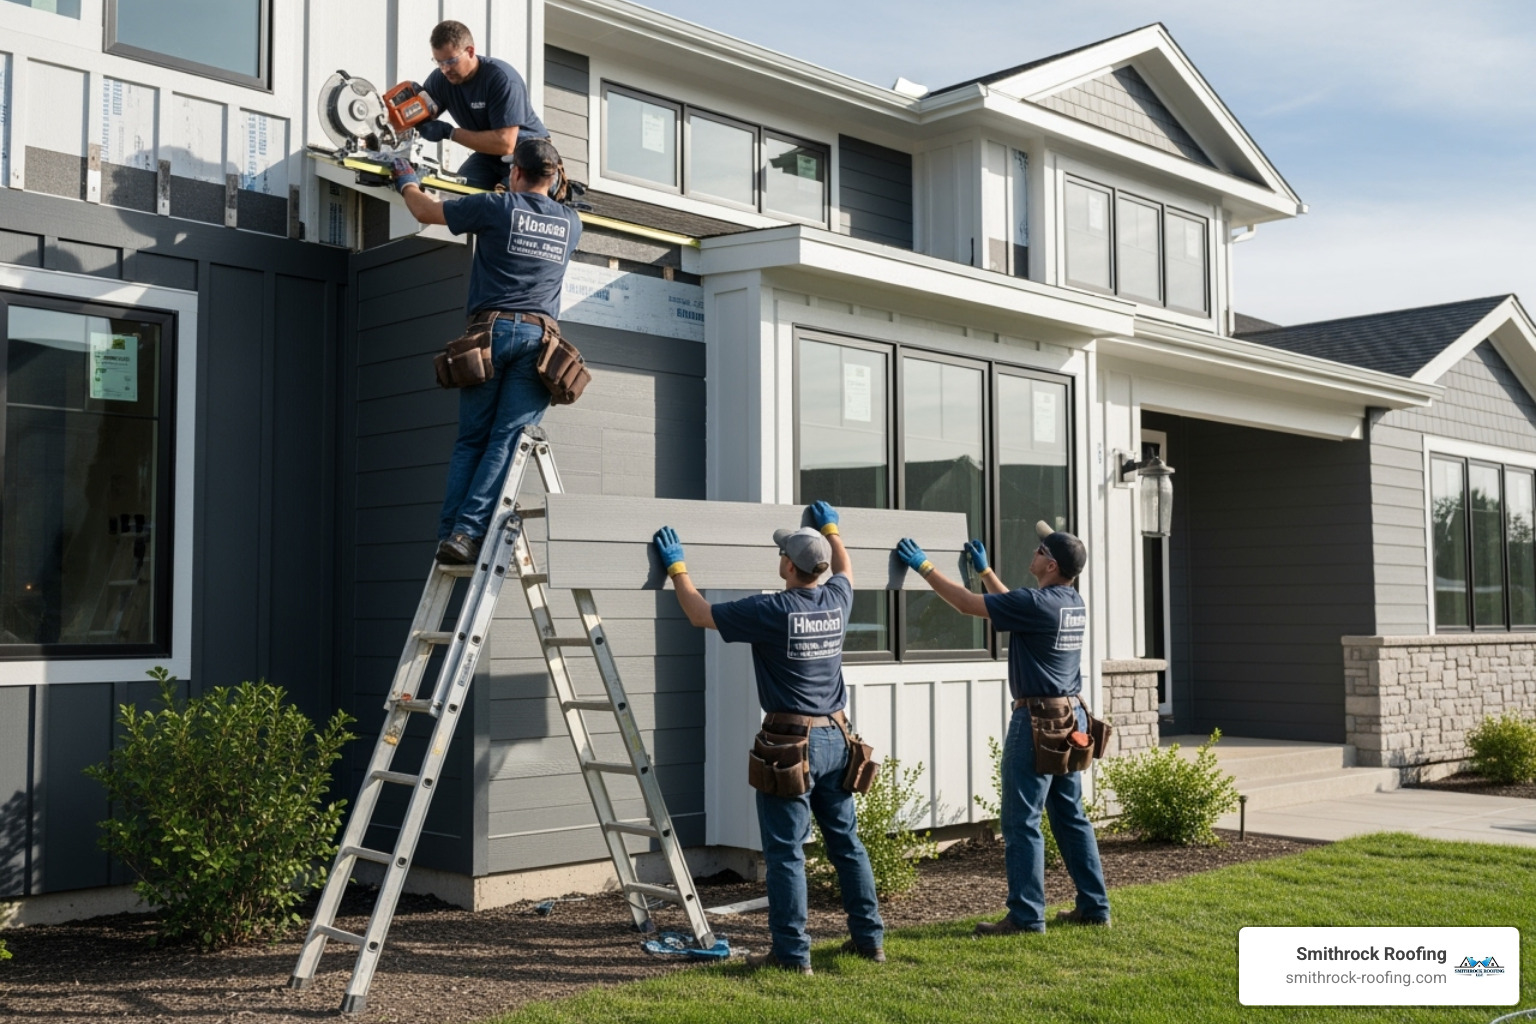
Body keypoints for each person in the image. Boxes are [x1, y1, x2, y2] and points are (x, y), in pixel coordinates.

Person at [653, 502, 884, 974]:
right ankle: (870, 942)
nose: (779, 557)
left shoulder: (772, 610)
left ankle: (793, 955)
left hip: (791, 746)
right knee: (847, 845)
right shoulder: (837, 599)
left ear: (789, 567)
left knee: (785, 853)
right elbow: (846, 569)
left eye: (782, 553)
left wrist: (676, 568)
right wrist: (832, 531)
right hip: (838, 740)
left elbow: (699, 614)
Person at [895, 523, 1111, 934]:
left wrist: (924, 567)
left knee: (1021, 822)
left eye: (1040, 549)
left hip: (1040, 723)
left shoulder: (1039, 603)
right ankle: (1094, 907)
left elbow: (966, 605)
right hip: (1071, 719)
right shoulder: (1071, 602)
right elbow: (1016, 606)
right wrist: (986, 572)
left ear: (1051, 565)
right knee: (1070, 816)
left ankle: (1026, 917)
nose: (1034, 551)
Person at [392, 137, 581, 564]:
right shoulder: (572, 224)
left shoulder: (495, 207)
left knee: (472, 440)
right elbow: (549, 205)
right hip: (537, 339)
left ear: (515, 173)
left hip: (487, 336)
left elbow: (424, 210)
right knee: (505, 441)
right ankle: (466, 533)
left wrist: (406, 179)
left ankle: (451, 533)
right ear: (554, 179)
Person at [414, 20, 549, 191]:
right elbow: (421, 111)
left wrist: (451, 133)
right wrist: (406, 108)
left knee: (509, 200)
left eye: (450, 61)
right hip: (489, 155)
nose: (445, 69)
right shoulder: (441, 79)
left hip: (530, 153)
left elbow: (505, 143)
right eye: (439, 62)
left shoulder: (501, 79)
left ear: (470, 51)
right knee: (459, 191)